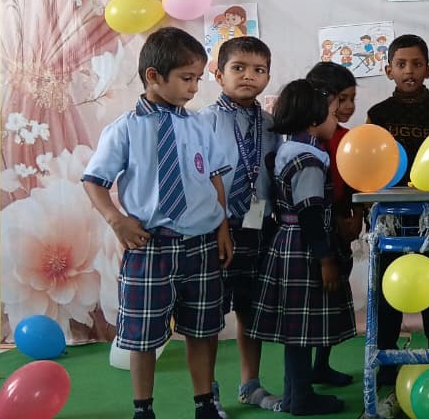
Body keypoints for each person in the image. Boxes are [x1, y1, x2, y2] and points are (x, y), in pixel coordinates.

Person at [81, 27, 232, 419]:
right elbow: (94, 181)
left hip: (201, 245)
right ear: (153, 76)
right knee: (142, 334)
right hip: (150, 247)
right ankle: (143, 408)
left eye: (197, 78)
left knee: (203, 330)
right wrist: (116, 220)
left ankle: (204, 403)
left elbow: (215, 177)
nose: (194, 88)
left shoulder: (200, 125)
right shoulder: (124, 129)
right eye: (186, 78)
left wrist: (223, 227)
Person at [248, 79, 354, 416]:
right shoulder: (308, 159)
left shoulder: (288, 149)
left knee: (297, 330)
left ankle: (296, 394)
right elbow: (309, 212)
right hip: (304, 248)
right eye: (332, 115)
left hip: (288, 241)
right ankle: (302, 397)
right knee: (302, 330)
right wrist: (325, 259)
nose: (336, 121)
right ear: (313, 119)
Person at [365, 34, 429, 379]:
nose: (409, 71)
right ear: (389, 71)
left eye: (417, 64)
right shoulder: (378, 114)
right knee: (389, 286)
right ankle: (385, 363)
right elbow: (369, 164)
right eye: (401, 64)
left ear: (428, 69)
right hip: (391, 216)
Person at [203, 36, 282, 410]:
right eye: (239, 68)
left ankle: (250, 384)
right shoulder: (202, 122)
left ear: (267, 77)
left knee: (251, 308)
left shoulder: (271, 124)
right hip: (215, 229)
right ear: (219, 75)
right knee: (208, 314)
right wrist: (218, 223)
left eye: (258, 70)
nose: (249, 76)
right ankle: (207, 391)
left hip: (257, 225)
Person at [302, 62, 361, 389]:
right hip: (312, 229)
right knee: (310, 301)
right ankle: (303, 376)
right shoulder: (307, 139)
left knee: (334, 299)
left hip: (341, 229)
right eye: (342, 99)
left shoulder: (349, 138)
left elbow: (357, 183)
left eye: (352, 98)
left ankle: (321, 365)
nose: (348, 106)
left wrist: (357, 217)